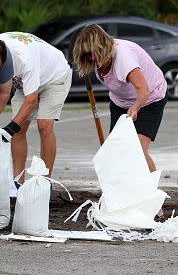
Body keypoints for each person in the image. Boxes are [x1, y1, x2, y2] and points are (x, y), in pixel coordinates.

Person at [72, 24, 167, 173]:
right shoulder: (96, 58)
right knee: (118, 151)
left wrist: (135, 108)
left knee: (138, 151)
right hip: (120, 102)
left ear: (102, 45)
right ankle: (124, 190)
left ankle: (150, 190)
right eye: (87, 54)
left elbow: (143, 89)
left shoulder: (123, 56)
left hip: (150, 99)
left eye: (93, 52)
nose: (92, 58)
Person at [0, 32, 72, 182]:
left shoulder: (25, 59)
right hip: (25, 83)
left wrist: (10, 128)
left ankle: (45, 182)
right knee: (19, 130)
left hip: (54, 76)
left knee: (44, 125)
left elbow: (31, 99)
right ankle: (18, 182)